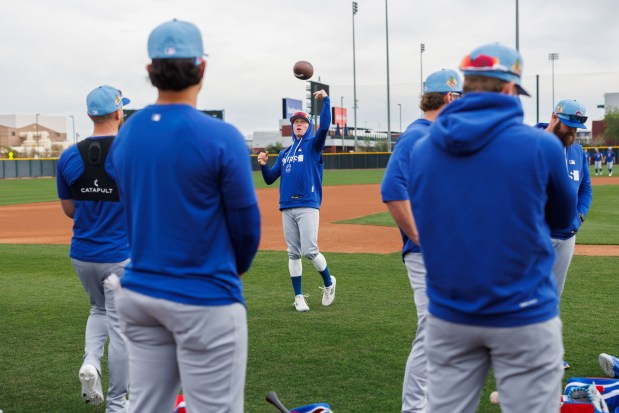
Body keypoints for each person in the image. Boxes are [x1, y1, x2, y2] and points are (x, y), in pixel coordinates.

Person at [391, 43, 576, 413]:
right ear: (510, 89)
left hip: (451, 311)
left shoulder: (424, 148)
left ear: (467, 87)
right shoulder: (542, 146)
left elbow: (424, 213)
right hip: (523, 310)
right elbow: (562, 221)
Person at [109, 19, 261, 413]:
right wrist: (235, 267)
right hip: (205, 296)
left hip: (141, 292)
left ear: (150, 72)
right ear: (202, 68)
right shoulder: (221, 135)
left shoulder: (128, 133)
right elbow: (246, 228)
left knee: (146, 405)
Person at [381, 68, 462, 413]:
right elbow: (391, 191)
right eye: (460, 97)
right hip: (427, 254)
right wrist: (422, 237)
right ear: (448, 98)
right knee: (432, 333)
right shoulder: (417, 136)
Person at [56, 85, 131, 411]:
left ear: (89, 114)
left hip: (82, 254)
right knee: (122, 330)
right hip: (120, 256)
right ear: (119, 113)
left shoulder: (69, 156)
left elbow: (69, 209)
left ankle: (91, 362)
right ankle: (116, 403)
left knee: (98, 310)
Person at [257, 90, 336, 312]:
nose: (298, 124)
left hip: (308, 204)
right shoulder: (284, 153)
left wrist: (325, 100)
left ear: (308, 126)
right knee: (293, 253)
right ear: (292, 127)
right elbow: (271, 179)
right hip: (287, 207)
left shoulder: (313, 146)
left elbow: (326, 125)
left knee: (310, 251)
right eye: (295, 122)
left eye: (302, 122)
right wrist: (263, 165)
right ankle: (299, 296)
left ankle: (329, 283)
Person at [535, 99, 593, 370]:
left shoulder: (578, 151)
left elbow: (585, 189)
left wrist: (579, 215)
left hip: (567, 235)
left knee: (553, 296)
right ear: (554, 117)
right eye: (568, 126)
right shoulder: (532, 142)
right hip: (536, 236)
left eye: (576, 129)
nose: (572, 133)